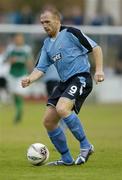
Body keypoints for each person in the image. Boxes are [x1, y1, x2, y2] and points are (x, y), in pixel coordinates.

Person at [21, 8, 104, 165]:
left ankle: (86, 145)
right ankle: (66, 159)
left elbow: (96, 48)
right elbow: (40, 68)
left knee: (62, 108)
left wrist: (99, 70)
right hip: (64, 82)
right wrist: (29, 79)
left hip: (81, 77)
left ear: (58, 21)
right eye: (42, 23)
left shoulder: (71, 33)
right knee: (48, 121)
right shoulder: (46, 44)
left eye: (47, 22)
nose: (44, 25)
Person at [5, 33, 33, 123]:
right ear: (14, 40)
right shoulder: (10, 48)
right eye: (17, 39)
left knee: (18, 93)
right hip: (12, 74)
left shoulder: (26, 49)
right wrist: (10, 61)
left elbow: (29, 61)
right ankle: (18, 109)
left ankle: (19, 112)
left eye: (20, 39)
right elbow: (5, 60)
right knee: (14, 94)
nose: (18, 40)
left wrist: (31, 73)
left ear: (22, 39)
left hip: (22, 74)